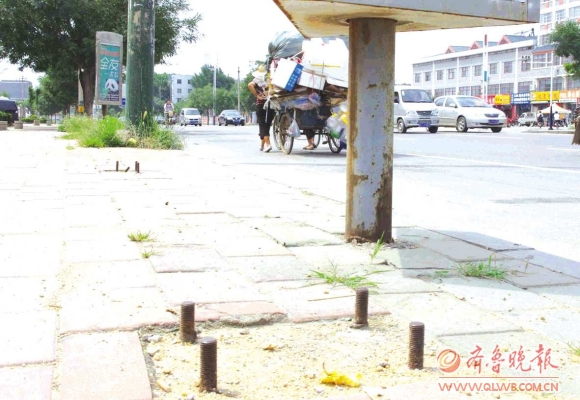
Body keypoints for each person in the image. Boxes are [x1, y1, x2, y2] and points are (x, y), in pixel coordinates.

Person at [248, 65, 274, 152]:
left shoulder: (256, 80)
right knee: (267, 124)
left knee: (262, 124)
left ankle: (268, 145)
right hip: (271, 104)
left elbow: (250, 85)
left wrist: (257, 95)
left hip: (261, 104)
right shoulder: (269, 80)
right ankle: (262, 145)